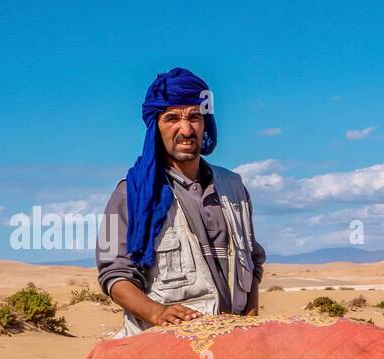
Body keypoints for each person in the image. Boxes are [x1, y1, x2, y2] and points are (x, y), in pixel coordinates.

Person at [96, 67, 266, 337]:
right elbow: (115, 276)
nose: (185, 129)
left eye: (194, 117)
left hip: (234, 339)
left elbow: (253, 261)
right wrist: (157, 312)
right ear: (156, 127)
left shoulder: (233, 187)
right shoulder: (130, 194)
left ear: (205, 124)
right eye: (172, 118)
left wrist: (251, 318)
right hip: (164, 341)